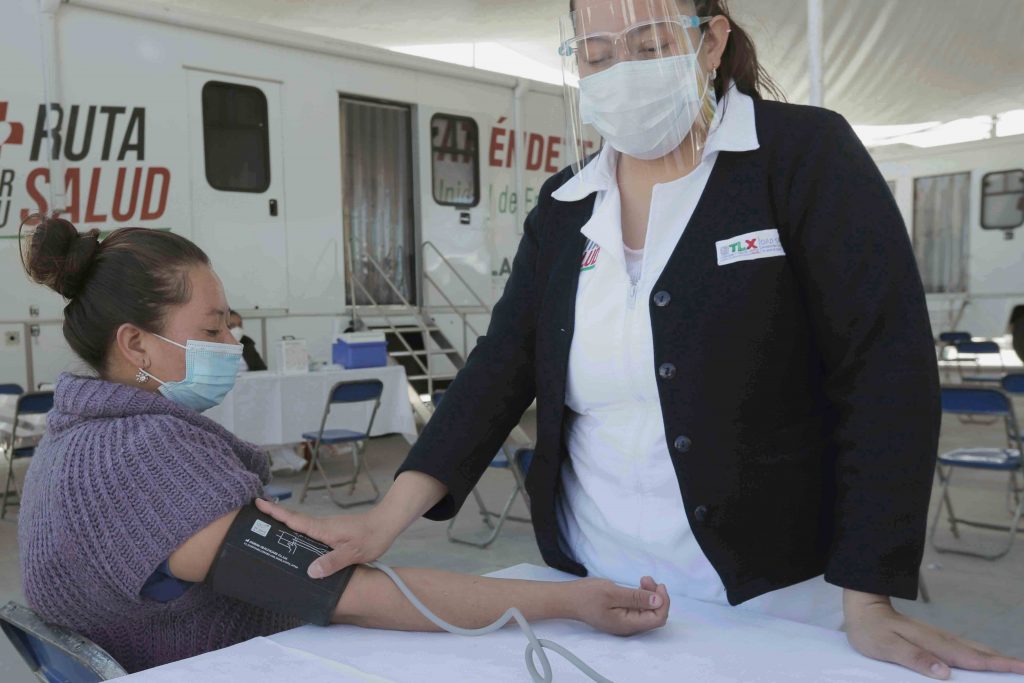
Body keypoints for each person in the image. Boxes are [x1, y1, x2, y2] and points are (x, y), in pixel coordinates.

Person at [256, 1, 1024, 679]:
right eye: (596, 55)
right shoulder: (566, 203)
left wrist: (869, 593)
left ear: (712, 40)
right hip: (597, 596)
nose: (622, 69)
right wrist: (381, 519)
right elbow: (500, 368)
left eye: (651, 43)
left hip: (778, 596)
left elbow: (884, 370)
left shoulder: (802, 157)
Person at [16, 215, 670, 674]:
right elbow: (353, 591)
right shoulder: (144, 459)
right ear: (134, 344)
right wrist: (568, 600)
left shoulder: (73, 440)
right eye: (212, 329)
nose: (230, 346)